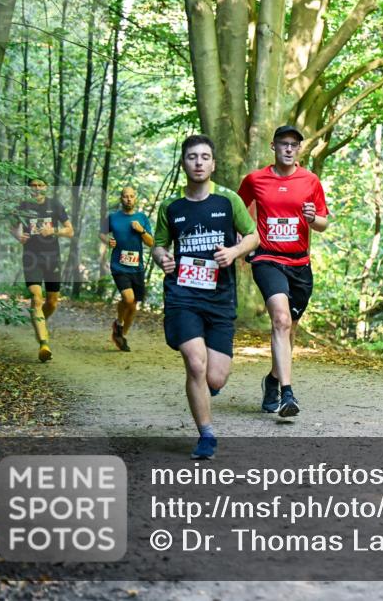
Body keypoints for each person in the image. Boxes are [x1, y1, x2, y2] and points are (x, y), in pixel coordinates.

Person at [152, 135, 258, 460]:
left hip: (220, 297)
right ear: (183, 163)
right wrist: (162, 258)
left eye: (205, 157)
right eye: (192, 157)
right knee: (196, 364)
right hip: (183, 296)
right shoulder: (171, 206)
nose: (198, 162)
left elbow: (254, 236)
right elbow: (159, 244)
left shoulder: (228, 201)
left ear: (213, 163)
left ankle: (203, 393)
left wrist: (235, 251)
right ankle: (207, 434)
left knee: (215, 376)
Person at [237, 125, 329, 418]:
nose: (288, 149)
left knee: (289, 330)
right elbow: (237, 211)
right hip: (267, 258)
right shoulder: (255, 179)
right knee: (280, 319)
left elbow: (324, 222)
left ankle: (273, 380)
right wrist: (242, 241)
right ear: (273, 147)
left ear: (299, 149)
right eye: (283, 144)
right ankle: (287, 394)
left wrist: (314, 219)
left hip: (300, 264)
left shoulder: (310, 181)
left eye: (294, 144)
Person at [12, 178, 74, 362]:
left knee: (52, 302)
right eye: (33, 185)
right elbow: (13, 228)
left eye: (40, 185)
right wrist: (18, 235)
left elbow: (70, 231)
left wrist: (54, 231)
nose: (37, 188)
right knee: (36, 298)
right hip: (31, 258)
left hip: (52, 258)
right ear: (29, 188)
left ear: (46, 187)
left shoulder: (55, 205)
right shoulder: (23, 206)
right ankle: (44, 343)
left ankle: (39, 323)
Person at [100, 186, 154, 352]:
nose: (128, 199)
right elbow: (101, 233)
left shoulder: (142, 218)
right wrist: (107, 240)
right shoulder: (113, 218)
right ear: (121, 199)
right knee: (128, 299)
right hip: (119, 265)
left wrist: (141, 230)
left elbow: (151, 242)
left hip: (136, 267)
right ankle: (118, 322)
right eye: (125, 196)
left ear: (135, 198)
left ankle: (120, 332)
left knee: (133, 305)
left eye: (131, 196)